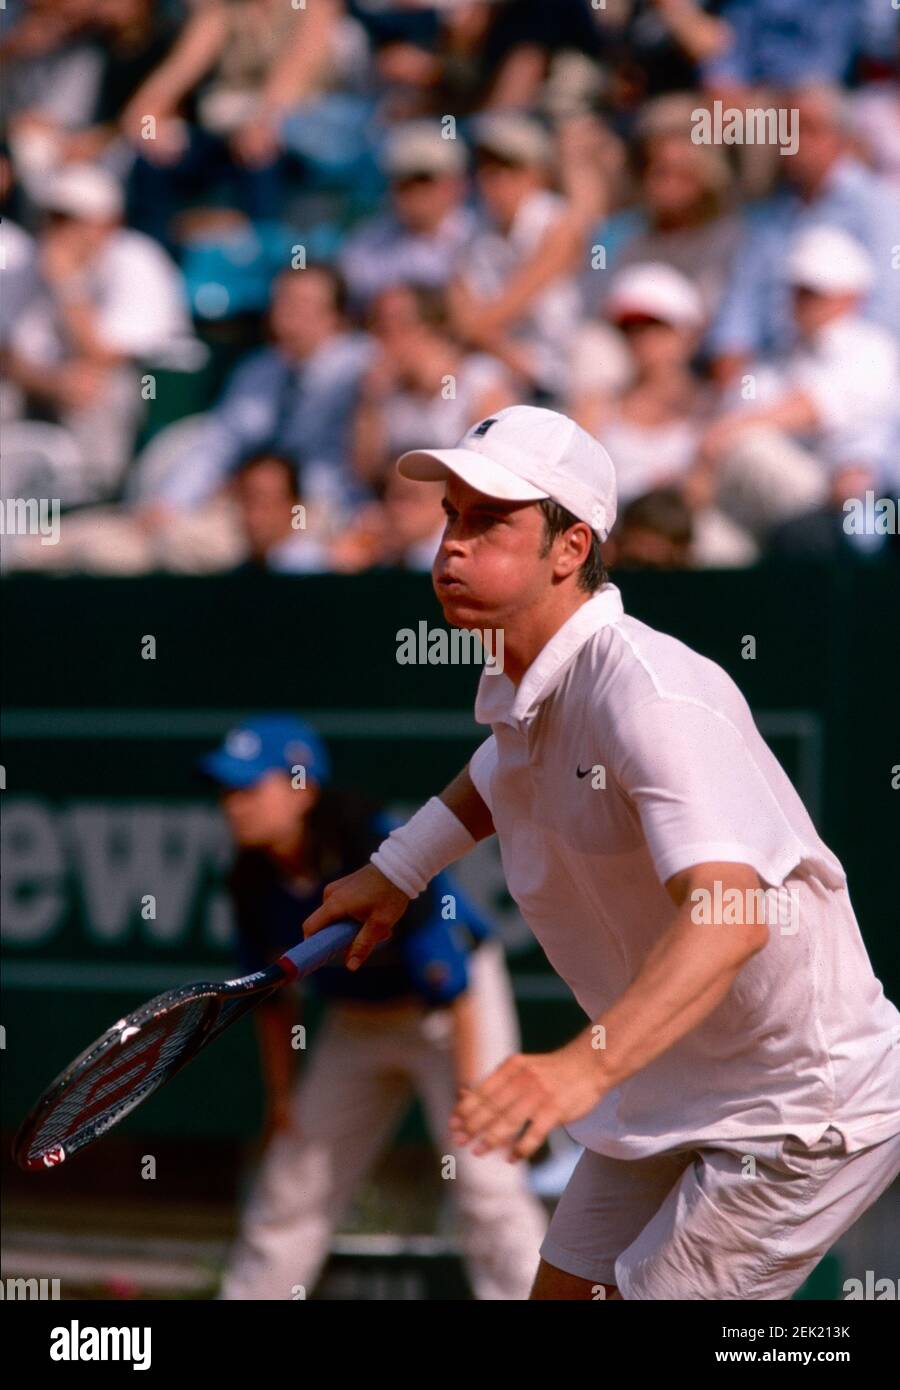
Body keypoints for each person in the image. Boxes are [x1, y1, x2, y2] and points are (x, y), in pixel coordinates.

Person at [303, 404, 900, 1300]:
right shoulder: (525, 682)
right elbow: (501, 768)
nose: (454, 547)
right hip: (667, 1082)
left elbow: (732, 917)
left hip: (796, 1106)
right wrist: (397, 869)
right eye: (450, 520)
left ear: (570, 549)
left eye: (489, 522)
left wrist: (579, 1066)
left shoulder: (648, 695)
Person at [203, 715, 547, 1301]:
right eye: (227, 790)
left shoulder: (374, 844)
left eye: (248, 788)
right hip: (357, 1020)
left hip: (449, 1011)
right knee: (294, 1181)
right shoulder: (249, 877)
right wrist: (282, 1099)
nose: (233, 805)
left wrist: (474, 1090)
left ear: (300, 788)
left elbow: (454, 976)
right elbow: (270, 996)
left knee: (483, 1178)